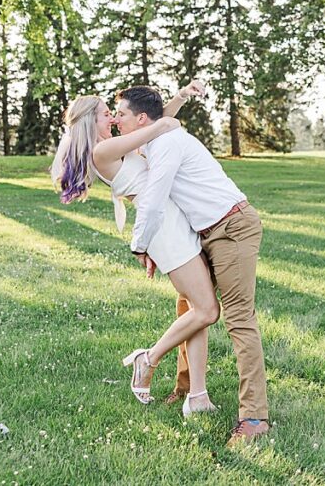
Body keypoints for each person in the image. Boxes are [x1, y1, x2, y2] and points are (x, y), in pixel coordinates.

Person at [51, 84, 219, 416]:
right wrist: (168, 121)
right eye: (105, 113)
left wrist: (180, 98)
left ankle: (197, 395)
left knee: (194, 311)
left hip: (171, 221)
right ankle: (148, 358)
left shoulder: (112, 145)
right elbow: (156, 126)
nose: (112, 117)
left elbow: (151, 124)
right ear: (89, 121)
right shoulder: (103, 152)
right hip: (165, 230)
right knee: (207, 310)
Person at [117, 85, 270, 446]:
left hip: (232, 228)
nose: (115, 120)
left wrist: (140, 245)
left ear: (141, 119)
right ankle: (190, 391)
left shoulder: (167, 143)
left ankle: (254, 417)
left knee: (239, 320)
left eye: (120, 114)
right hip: (206, 230)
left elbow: (153, 202)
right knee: (191, 304)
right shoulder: (156, 134)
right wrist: (181, 96)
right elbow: (163, 114)